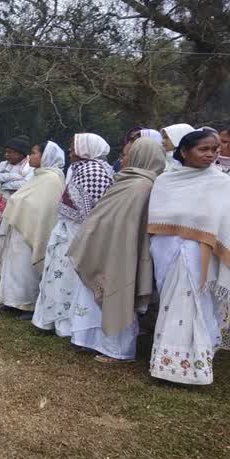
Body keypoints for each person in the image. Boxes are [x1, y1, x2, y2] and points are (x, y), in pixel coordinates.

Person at [67, 138, 166, 363]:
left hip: (124, 251)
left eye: (128, 155)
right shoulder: (127, 181)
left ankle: (117, 349)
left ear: (143, 157)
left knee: (120, 293)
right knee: (95, 295)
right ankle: (90, 340)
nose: (123, 159)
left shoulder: (143, 186)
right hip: (106, 246)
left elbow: (132, 224)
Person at [147, 130, 229, 385]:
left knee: (194, 307)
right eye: (203, 149)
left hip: (199, 256)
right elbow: (157, 220)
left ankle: (194, 369)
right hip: (166, 251)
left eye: (214, 149)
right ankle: (166, 364)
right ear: (184, 151)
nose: (211, 154)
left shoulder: (220, 183)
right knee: (171, 305)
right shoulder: (165, 181)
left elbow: (224, 224)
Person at [32, 133, 114, 336]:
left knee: (70, 277)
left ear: (87, 149)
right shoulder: (78, 169)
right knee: (57, 275)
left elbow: (91, 212)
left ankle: (68, 325)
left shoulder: (95, 171)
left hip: (80, 234)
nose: (70, 150)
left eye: (74, 146)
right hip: (66, 231)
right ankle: (51, 320)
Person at [0, 141, 66, 317]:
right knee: (14, 266)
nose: (30, 156)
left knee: (27, 268)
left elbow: (43, 207)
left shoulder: (51, 178)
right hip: (20, 226)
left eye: (34, 153)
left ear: (46, 156)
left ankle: (28, 303)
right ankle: (11, 301)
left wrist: (17, 203)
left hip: (32, 229)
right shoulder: (38, 175)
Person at [0, 135, 34, 268]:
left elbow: (26, 184)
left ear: (20, 153)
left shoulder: (30, 166)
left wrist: (4, 183)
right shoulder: (3, 164)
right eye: (6, 151)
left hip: (19, 209)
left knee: (11, 241)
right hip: (1, 208)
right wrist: (13, 176)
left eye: (10, 152)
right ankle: (0, 275)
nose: (6, 155)